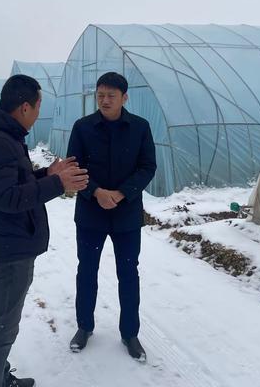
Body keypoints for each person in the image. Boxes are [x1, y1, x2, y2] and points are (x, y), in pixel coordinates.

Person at [0, 74, 88, 387]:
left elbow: (15, 182)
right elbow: (7, 198)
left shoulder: (3, 137)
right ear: (23, 107)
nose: (38, 113)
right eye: (37, 107)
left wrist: (48, 173)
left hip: (7, 243)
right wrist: (58, 183)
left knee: (4, 324)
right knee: (1, 329)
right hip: (7, 251)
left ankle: (0, 376)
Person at [66, 72, 156, 362]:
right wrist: (95, 192)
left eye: (111, 95)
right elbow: (73, 168)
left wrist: (120, 193)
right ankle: (84, 327)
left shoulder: (140, 128)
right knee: (87, 270)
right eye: (100, 95)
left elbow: (147, 167)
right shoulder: (82, 128)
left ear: (124, 97)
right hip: (91, 214)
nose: (105, 100)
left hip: (126, 214)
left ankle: (130, 333)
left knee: (128, 273)